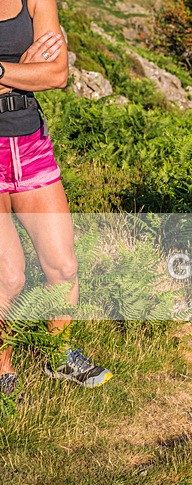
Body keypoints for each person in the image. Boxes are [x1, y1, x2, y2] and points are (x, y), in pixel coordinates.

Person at [0, 0, 112, 400]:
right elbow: (38, 72)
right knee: (9, 277)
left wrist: (1, 72)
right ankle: (2, 370)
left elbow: (57, 73)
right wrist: (23, 70)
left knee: (63, 267)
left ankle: (58, 356)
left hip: (29, 144)